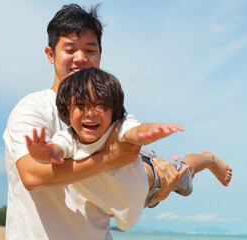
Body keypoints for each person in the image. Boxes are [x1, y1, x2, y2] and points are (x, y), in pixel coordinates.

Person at [3, 3, 232, 240]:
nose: (80, 58)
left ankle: (207, 159)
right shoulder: (33, 109)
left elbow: (105, 197)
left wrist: (156, 186)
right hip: (123, 175)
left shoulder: (107, 112)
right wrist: (108, 159)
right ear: (51, 55)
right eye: (70, 50)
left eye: (90, 50)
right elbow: (32, 176)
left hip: (135, 174)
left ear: (100, 54)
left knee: (182, 172)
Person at [25, 68, 232, 230]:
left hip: (151, 179)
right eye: (81, 106)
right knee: (174, 169)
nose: (90, 113)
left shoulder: (119, 127)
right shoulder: (68, 139)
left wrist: (151, 131)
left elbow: (135, 131)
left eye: (99, 105)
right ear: (66, 111)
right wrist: (44, 153)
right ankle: (177, 160)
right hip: (133, 198)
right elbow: (56, 152)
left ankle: (208, 159)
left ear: (114, 109)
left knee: (185, 174)